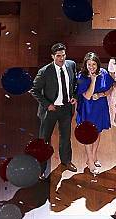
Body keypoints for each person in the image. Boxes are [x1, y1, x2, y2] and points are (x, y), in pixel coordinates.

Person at [30, 42, 78, 173]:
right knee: (44, 140)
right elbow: (34, 90)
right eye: (58, 56)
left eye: (63, 55)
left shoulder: (71, 65)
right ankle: (41, 168)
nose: (61, 58)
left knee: (65, 138)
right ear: (52, 56)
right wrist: (47, 104)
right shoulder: (45, 71)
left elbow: (74, 83)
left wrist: (74, 95)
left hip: (66, 108)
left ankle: (66, 161)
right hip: (50, 110)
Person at [76, 52, 113, 175]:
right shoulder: (81, 76)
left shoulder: (104, 73)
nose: (91, 67)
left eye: (93, 64)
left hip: (100, 107)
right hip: (87, 108)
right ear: (85, 64)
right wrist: (93, 80)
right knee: (88, 134)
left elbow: (109, 89)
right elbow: (87, 96)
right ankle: (90, 161)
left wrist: (101, 94)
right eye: (89, 64)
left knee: (98, 132)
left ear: (97, 64)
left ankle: (94, 156)